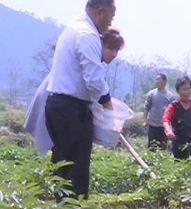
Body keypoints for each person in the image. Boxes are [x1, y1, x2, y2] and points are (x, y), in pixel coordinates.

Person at [45, 0, 116, 204]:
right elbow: (94, 79)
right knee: (76, 165)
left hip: (58, 106)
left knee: (62, 163)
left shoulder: (73, 27)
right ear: (100, 12)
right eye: (111, 17)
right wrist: (109, 107)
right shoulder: (87, 35)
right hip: (71, 109)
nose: (111, 22)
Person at [24, 26, 124, 158]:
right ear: (99, 44)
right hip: (65, 109)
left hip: (62, 108)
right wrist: (110, 115)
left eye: (117, 50)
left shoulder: (91, 63)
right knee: (71, 159)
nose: (114, 54)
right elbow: (97, 86)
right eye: (110, 48)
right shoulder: (88, 59)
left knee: (63, 158)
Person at [162, 76, 191, 159]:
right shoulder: (173, 106)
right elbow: (165, 119)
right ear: (178, 91)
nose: (187, 92)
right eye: (183, 89)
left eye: (188, 89)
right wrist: (168, 131)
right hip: (179, 141)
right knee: (181, 163)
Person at [143, 74, 175, 150]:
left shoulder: (170, 96)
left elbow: (173, 112)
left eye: (159, 79)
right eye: (156, 79)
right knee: (151, 146)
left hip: (164, 127)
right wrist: (145, 121)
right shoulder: (151, 94)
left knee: (163, 147)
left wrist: (172, 126)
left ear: (165, 81)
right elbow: (146, 108)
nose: (156, 81)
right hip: (153, 125)